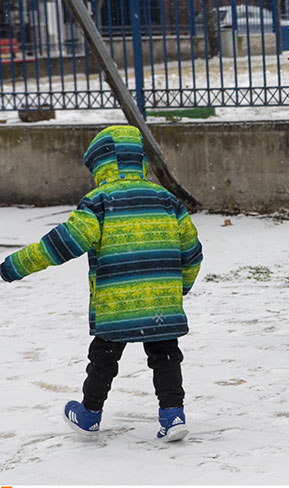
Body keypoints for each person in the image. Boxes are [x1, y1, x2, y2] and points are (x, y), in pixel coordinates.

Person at [0, 125, 203, 442]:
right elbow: (191, 252)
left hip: (115, 303)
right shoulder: (168, 201)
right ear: (139, 161)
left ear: (100, 165)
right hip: (162, 304)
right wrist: (179, 290)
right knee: (165, 355)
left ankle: (89, 414)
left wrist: (13, 266)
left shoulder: (99, 202)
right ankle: (173, 415)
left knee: (104, 357)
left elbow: (62, 244)